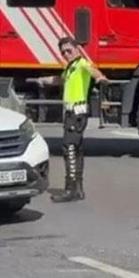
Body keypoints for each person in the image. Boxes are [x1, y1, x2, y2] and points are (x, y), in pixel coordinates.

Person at [41, 37, 107, 203]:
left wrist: (100, 78)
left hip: (77, 113)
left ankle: (70, 189)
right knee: (76, 149)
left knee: (69, 148)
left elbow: (94, 71)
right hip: (71, 114)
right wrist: (41, 80)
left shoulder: (82, 64)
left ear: (77, 49)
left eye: (69, 50)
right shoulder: (70, 68)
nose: (66, 54)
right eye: (63, 52)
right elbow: (60, 80)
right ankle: (78, 189)